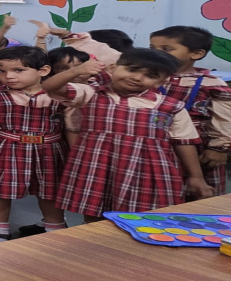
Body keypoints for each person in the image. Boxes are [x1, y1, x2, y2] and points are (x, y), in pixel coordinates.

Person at [44, 50, 215, 221]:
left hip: (146, 170)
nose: (138, 78)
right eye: (132, 70)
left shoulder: (170, 106)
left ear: (162, 82)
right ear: (113, 68)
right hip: (96, 166)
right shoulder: (91, 94)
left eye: (150, 75)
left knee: (143, 217)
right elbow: (50, 87)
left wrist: (196, 176)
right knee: (93, 214)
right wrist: (76, 71)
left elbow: (184, 141)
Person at [0, 46, 67, 243]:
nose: (8, 76)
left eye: (18, 70)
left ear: (43, 71)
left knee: (49, 191)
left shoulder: (59, 96)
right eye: (1, 71)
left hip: (49, 151)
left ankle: (55, 228)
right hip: (6, 148)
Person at [148, 26, 231, 195]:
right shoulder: (146, 78)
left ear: (196, 54)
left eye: (166, 49)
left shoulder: (211, 83)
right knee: (157, 193)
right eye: (152, 48)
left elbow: (224, 119)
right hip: (154, 145)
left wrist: (219, 148)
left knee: (197, 196)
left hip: (198, 150)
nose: (156, 53)